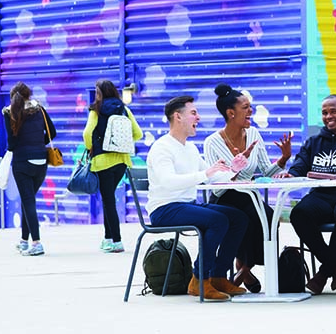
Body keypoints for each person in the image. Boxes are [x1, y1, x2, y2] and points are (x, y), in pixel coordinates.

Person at [146, 95, 249, 301]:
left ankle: (218, 276)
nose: (198, 117)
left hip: (186, 205)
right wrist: (206, 174)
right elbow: (168, 181)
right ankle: (199, 279)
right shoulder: (162, 148)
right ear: (178, 117)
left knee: (238, 218)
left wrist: (233, 170)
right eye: (193, 113)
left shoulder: (190, 148)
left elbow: (211, 178)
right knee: (217, 220)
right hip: (164, 209)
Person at [203, 83, 292, 293]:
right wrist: (235, 167)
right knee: (248, 218)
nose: (251, 111)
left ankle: (244, 267)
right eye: (246, 107)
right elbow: (216, 186)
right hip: (225, 196)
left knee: (268, 216)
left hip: (248, 195)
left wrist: (284, 158)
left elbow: (266, 172)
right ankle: (243, 268)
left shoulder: (253, 135)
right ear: (231, 113)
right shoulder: (212, 142)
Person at [278, 94, 336, 294]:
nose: (329, 116)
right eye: (324, 113)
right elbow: (299, 167)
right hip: (321, 196)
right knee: (299, 213)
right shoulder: (314, 142)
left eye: (333, 111)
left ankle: (323, 273)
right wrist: (290, 174)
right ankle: (335, 268)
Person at [82, 79, 143, 253]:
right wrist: (120, 143)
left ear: (99, 92)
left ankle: (116, 241)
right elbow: (138, 134)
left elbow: (87, 133)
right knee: (109, 198)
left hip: (103, 161)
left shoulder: (96, 109)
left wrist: (90, 147)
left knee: (108, 200)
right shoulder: (124, 109)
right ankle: (108, 239)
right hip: (122, 161)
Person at [2, 82, 56, 256]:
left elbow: (11, 142)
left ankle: (37, 243)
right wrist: (39, 144)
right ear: (29, 94)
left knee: (28, 201)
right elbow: (52, 132)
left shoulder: (9, 112)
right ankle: (24, 242)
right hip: (41, 161)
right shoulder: (39, 109)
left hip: (22, 162)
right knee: (29, 200)